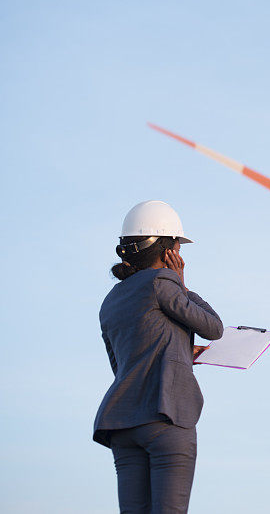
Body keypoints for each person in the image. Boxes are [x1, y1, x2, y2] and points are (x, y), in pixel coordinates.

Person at [93, 200, 224, 513]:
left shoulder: (111, 300)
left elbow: (122, 364)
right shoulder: (164, 283)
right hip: (165, 416)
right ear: (170, 251)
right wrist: (182, 284)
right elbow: (213, 328)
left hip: (122, 422)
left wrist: (177, 349)